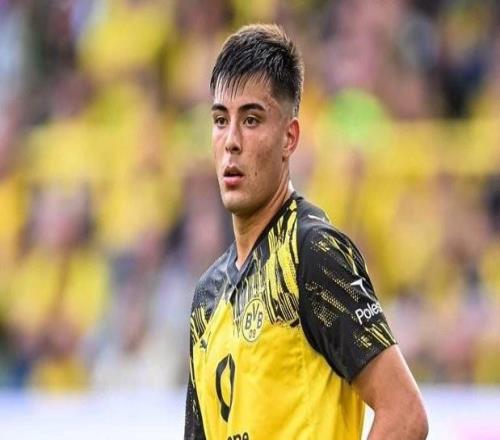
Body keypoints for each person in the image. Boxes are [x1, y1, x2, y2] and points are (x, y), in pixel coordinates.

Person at [184, 24, 428, 440]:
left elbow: (405, 414)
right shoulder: (207, 298)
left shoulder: (311, 254)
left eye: (252, 120)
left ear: (289, 137)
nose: (231, 141)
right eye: (221, 120)